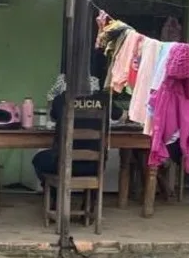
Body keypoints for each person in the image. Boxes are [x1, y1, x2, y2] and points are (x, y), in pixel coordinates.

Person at [32, 75, 123, 211]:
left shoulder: (62, 99)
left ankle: (56, 196)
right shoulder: (104, 100)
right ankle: (90, 202)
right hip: (94, 166)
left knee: (38, 159)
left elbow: (53, 116)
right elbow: (120, 115)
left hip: (63, 165)